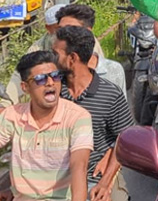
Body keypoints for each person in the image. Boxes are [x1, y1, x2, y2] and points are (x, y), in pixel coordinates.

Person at [53, 26, 134, 201]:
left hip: (94, 177)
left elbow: (124, 139)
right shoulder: (52, 89)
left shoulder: (110, 94)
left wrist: (105, 183)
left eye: (56, 54)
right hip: (54, 179)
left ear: (72, 58)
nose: (52, 59)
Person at [0, 51, 93, 201]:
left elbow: (79, 166)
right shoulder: (13, 116)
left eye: (55, 76)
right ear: (25, 87)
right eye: (40, 79)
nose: (50, 83)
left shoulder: (78, 117)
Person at [56, 5, 127, 95]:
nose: (63, 35)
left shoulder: (112, 70)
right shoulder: (53, 74)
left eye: (71, 29)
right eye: (60, 30)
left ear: (88, 31)